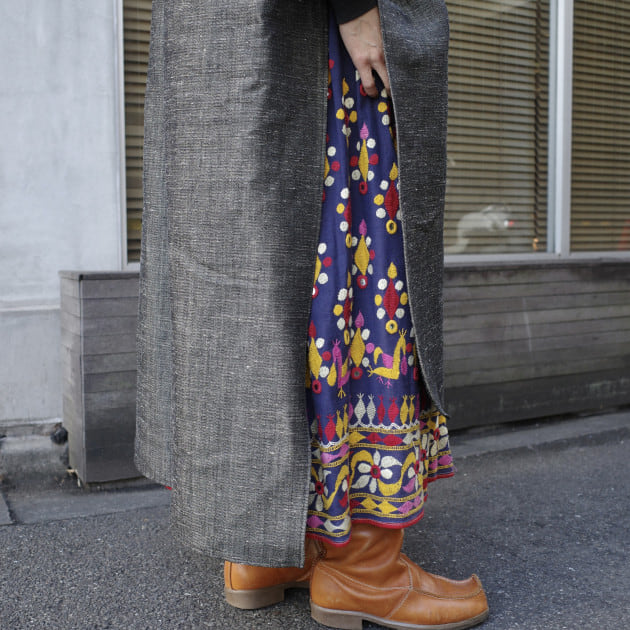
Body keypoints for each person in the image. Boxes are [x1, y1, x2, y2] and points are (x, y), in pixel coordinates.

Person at [135, 1, 489, 628]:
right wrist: (355, 6)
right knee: (352, 247)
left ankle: (267, 548)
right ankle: (361, 568)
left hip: (222, 33)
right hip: (323, 30)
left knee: (249, 261)